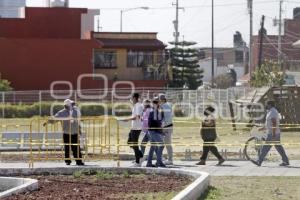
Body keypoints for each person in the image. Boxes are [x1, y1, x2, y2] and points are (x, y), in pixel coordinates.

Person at [43, 99, 84, 166]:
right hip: (66, 133)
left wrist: (79, 129)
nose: (73, 105)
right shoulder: (61, 113)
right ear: (67, 105)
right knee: (67, 147)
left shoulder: (75, 112)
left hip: (75, 133)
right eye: (71, 104)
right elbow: (54, 118)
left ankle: (79, 161)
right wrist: (47, 122)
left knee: (76, 147)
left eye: (73, 104)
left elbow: (77, 122)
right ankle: (68, 161)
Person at [253, 100, 289, 166]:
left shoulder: (273, 112)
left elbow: (274, 122)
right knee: (279, 147)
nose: (266, 106)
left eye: (267, 104)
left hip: (272, 133)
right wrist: (262, 128)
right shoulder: (271, 111)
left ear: (270, 105)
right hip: (274, 132)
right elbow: (269, 124)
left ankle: (259, 161)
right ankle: (286, 161)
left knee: (265, 147)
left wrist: (273, 133)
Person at [120, 93, 144, 167]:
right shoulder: (136, 106)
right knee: (130, 142)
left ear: (134, 98)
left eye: (131, 98)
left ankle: (138, 162)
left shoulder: (138, 106)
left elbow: (136, 117)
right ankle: (140, 156)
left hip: (137, 128)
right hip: (134, 127)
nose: (131, 99)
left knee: (134, 144)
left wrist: (127, 119)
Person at [146, 98, 166, 168]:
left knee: (153, 147)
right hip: (153, 131)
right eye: (156, 103)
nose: (158, 104)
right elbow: (157, 122)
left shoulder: (157, 111)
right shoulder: (153, 112)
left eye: (158, 103)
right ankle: (159, 162)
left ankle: (149, 163)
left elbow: (160, 121)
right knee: (161, 145)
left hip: (152, 131)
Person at [158, 93, 174, 165]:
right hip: (168, 126)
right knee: (165, 143)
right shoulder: (168, 105)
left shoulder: (164, 106)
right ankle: (166, 158)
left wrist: (162, 126)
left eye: (159, 99)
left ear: (161, 99)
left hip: (166, 127)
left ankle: (170, 160)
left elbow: (166, 118)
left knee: (167, 144)